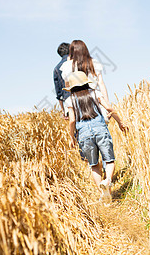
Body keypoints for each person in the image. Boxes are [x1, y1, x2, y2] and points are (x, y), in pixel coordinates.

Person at [64, 71, 126, 203]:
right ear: (86, 82)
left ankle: (103, 194)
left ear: (72, 87)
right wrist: (120, 122)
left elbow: (71, 121)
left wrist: (72, 137)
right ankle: (108, 180)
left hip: (83, 134)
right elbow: (109, 108)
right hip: (100, 129)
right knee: (109, 160)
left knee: (94, 165)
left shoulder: (70, 100)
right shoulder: (95, 93)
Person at [53, 42, 71, 118]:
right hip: (84, 98)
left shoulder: (56, 69)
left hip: (68, 101)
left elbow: (59, 93)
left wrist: (63, 110)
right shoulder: (77, 62)